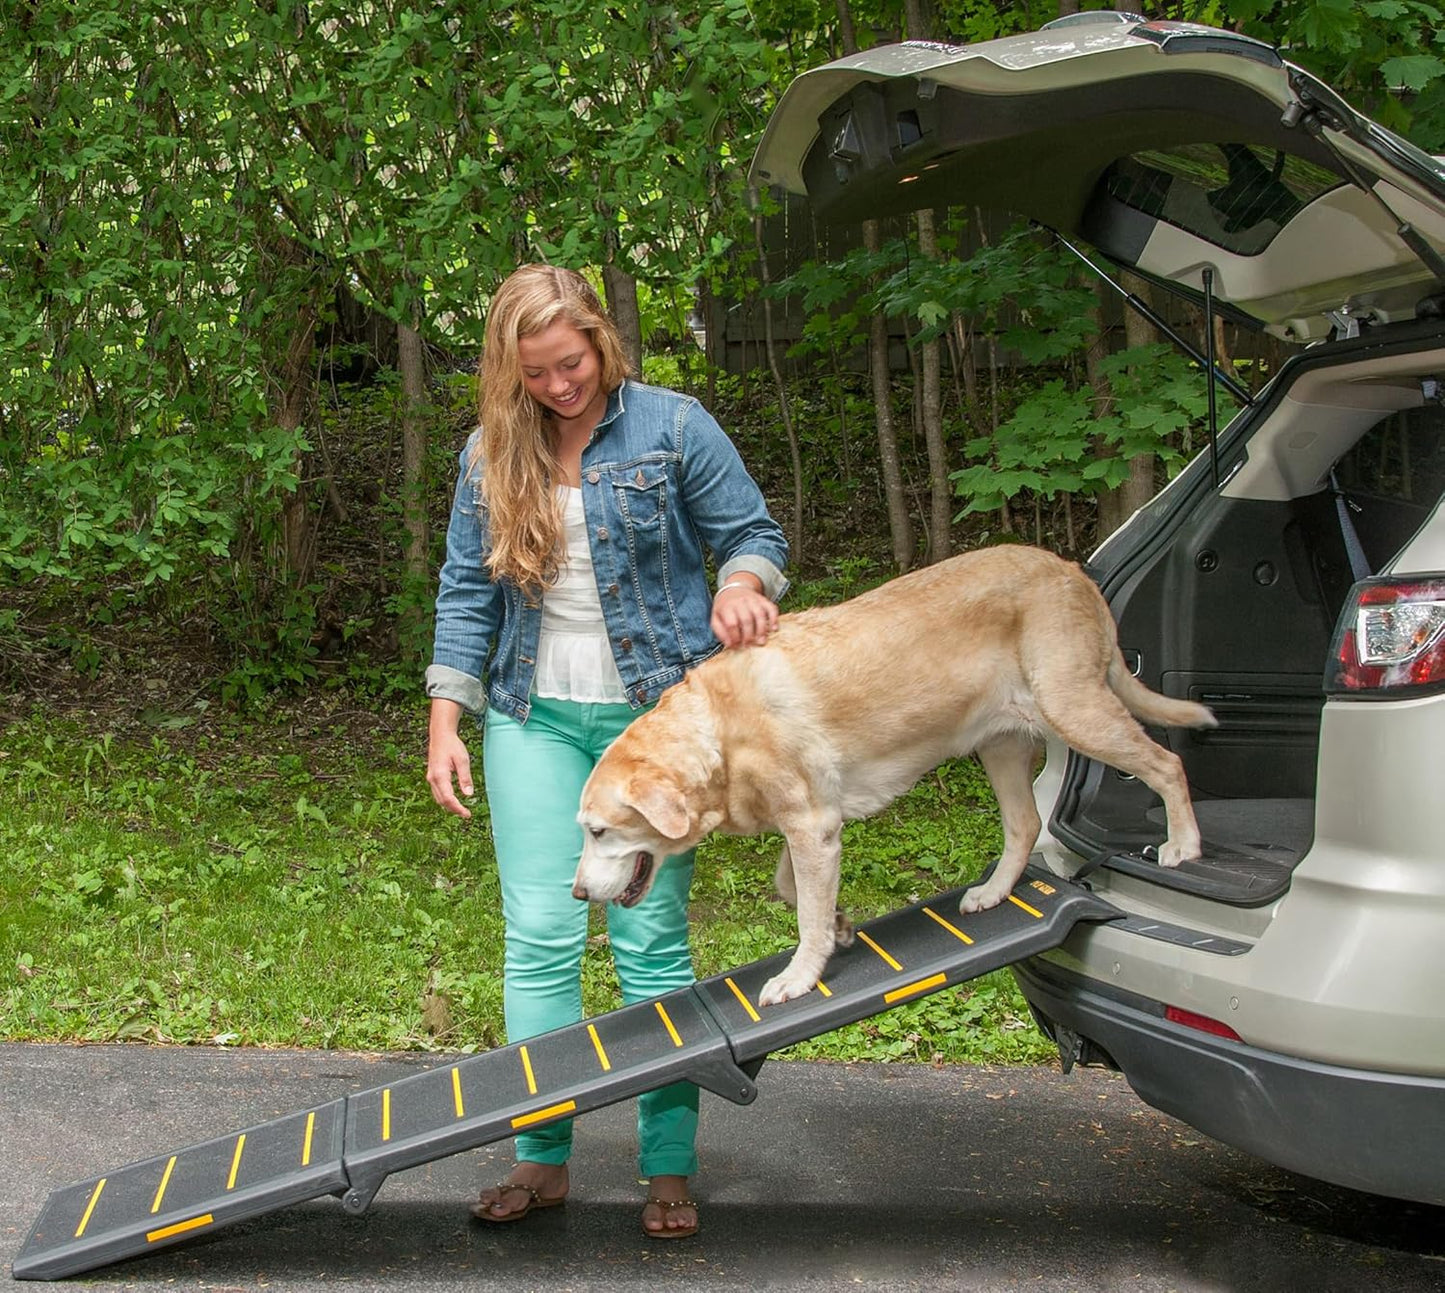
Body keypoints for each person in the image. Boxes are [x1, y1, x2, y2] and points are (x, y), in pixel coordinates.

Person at [425, 264, 788, 1240]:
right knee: (540, 937)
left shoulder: (672, 426)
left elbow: (752, 534)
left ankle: (666, 1170)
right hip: (529, 716)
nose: (558, 386)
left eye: (570, 361)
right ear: (510, 372)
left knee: (647, 942)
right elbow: (466, 590)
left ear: (599, 337)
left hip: (651, 727)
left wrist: (743, 585)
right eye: (534, 372)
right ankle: (541, 1160)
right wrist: (444, 718)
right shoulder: (486, 453)